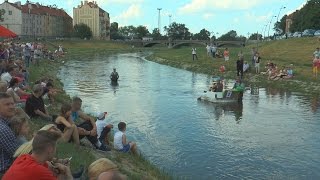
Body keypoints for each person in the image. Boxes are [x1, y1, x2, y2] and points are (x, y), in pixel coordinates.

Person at [3, 130, 73, 180]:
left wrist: (59, 170)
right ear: (50, 149)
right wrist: (67, 172)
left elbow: (48, 166)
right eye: (55, 147)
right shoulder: (39, 171)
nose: (55, 150)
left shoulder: (23, 157)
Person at [0, 93, 19, 175]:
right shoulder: (3, 129)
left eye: (12, 103)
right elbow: (18, 154)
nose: (12, 107)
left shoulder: (5, 123)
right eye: (7, 104)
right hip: (5, 171)